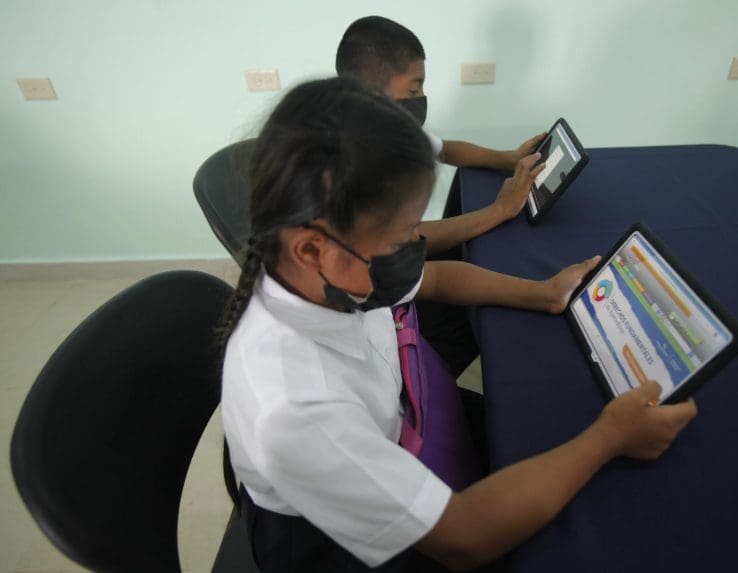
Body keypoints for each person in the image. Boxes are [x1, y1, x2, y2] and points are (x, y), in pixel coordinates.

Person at [220, 77, 698, 572]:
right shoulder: (298, 408)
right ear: (313, 248)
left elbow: (437, 279)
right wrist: (611, 437)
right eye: (402, 235)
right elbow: (466, 535)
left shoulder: (323, 274)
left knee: (538, 425)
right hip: (334, 548)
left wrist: (543, 292)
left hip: (400, 427)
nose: (416, 246)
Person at [336, 15, 546, 376]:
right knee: (482, 320)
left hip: (390, 277)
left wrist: (509, 158)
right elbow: (431, 271)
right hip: (377, 322)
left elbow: (446, 149)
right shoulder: (361, 169)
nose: (422, 99)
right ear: (372, 95)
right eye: (414, 89)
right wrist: (499, 211)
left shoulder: (382, 124)